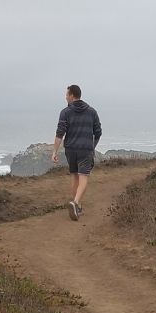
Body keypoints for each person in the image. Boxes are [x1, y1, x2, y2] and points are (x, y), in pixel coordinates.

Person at [52, 84, 102, 221]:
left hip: (70, 149)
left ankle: (77, 206)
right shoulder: (92, 112)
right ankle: (75, 203)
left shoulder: (65, 112)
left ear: (72, 95)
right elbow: (98, 132)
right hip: (85, 150)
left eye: (67, 95)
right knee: (83, 177)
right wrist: (92, 146)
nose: (66, 97)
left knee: (75, 177)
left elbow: (59, 133)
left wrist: (55, 151)